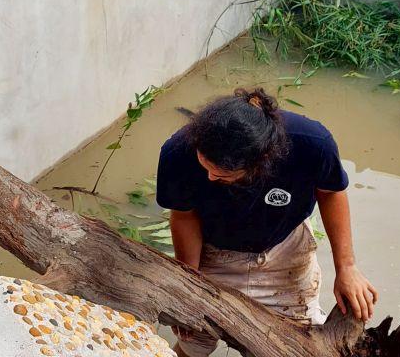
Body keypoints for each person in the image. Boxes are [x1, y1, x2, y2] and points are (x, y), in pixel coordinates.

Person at [156, 87, 378, 357]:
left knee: (293, 345)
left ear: (262, 162)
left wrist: (347, 267)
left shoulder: (312, 143)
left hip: (285, 254)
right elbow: (184, 215)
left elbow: (331, 193)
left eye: (223, 174)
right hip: (214, 253)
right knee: (194, 340)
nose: (211, 178)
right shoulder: (178, 152)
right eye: (206, 167)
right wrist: (187, 284)